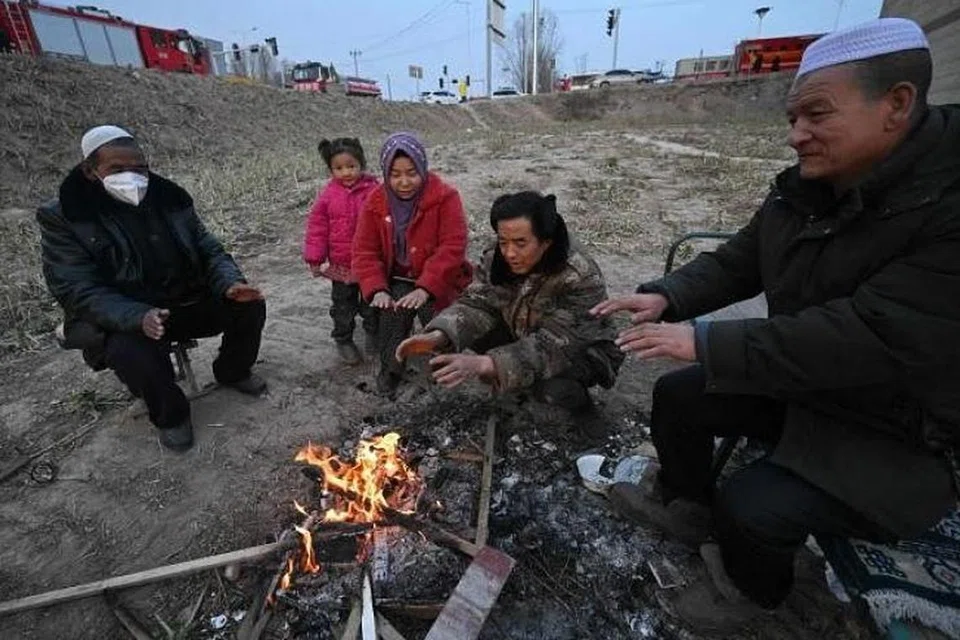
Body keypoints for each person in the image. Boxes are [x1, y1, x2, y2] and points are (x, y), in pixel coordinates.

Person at [592, 18, 960, 632]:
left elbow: (869, 334)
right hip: (808, 385)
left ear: (896, 104)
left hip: (903, 429)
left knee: (752, 506)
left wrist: (707, 341)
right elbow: (742, 259)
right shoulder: (810, 188)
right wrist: (665, 297)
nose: (797, 136)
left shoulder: (947, 209)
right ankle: (687, 506)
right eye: (793, 119)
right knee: (678, 395)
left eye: (816, 115)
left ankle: (759, 600)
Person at [38, 125, 267, 452]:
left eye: (139, 168)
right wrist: (136, 315)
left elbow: (209, 250)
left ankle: (232, 371)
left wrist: (230, 283)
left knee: (249, 305)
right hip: (125, 317)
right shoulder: (65, 215)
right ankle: (171, 416)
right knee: (130, 353)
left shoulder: (169, 198)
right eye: (116, 170)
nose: (131, 177)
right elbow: (76, 287)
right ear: (90, 171)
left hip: (184, 300)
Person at [396, 191, 624, 414]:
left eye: (520, 243)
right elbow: (478, 303)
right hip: (523, 328)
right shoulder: (497, 257)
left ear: (545, 242)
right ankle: (514, 383)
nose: (509, 253)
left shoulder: (579, 275)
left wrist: (485, 364)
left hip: (579, 351)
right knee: (474, 332)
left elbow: (555, 345)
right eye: (503, 242)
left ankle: (585, 413)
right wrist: (439, 335)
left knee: (553, 390)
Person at [352, 132, 472, 394]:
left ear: (423, 168)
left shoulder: (445, 196)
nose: (404, 182)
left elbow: (453, 246)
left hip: (439, 279)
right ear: (385, 173)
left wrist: (426, 287)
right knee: (393, 313)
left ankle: (444, 368)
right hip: (396, 278)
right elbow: (364, 252)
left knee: (437, 317)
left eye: (411, 173)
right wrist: (377, 289)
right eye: (395, 174)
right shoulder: (374, 202)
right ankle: (391, 369)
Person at [302, 137, 380, 364]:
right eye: (339, 168)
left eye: (351, 166)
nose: (346, 172)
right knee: (343, 307)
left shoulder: (375, 191)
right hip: (341, 265)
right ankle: (344, 339)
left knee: (372, 303)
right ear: (331, 170)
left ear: (361, 164)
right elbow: (317, 228)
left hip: (370, 264)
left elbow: (386, 224)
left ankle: (373, 334)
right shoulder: (328, 196)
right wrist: (315, 258)